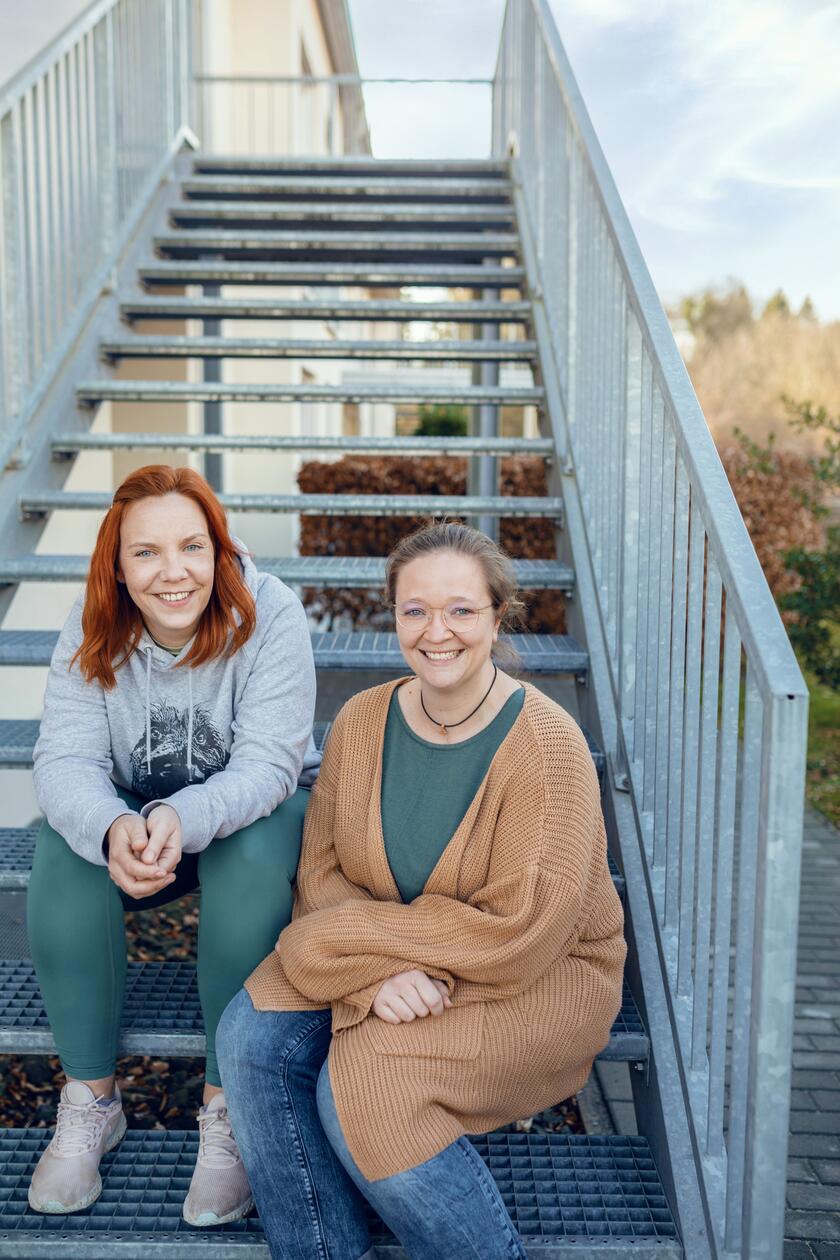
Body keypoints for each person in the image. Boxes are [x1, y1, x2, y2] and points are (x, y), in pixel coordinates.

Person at [217, 520, 626, 1260]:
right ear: (395, 616)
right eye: (416, 611)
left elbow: (520, 931)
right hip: (384, 959)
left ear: (498, 617)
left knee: (369, 1085)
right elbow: (324, 874)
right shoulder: (361, 721)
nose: (437, 632)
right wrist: (379, 976)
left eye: (461, 610)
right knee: (249, 1035)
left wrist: (356, 954)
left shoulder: (548, 747)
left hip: (534, 979)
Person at [27, 464, 320, 1227]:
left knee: (250, 857)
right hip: (139, 818)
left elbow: (268, 765)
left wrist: (181, 818)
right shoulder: (92, 622)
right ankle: (91, 1100)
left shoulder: (269, 612)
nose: (174, 572)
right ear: (118, 567)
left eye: (192, 547)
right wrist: (112, 826)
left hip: (249, 814)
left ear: (218, 549)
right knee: (62, 846)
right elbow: (64, 761)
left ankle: (227, 1114)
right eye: (147, 553)